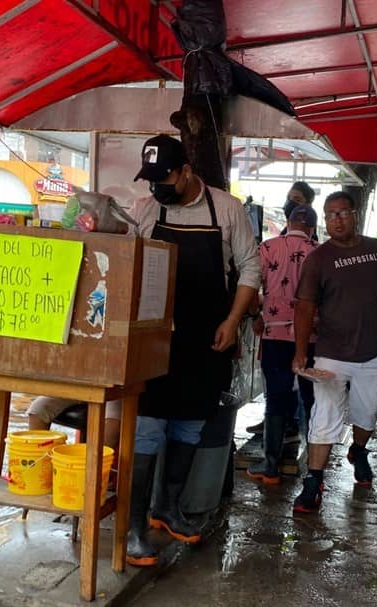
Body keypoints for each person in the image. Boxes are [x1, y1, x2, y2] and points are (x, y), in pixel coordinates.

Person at [125, 135, 260, 566]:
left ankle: (167, 509)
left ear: (186, 170)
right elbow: (127, 261)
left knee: (187, 428)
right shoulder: (147, 209)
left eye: (163, 178)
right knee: (146, 430)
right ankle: (132, 529)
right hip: (155, 340)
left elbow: (250, 266)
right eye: (150, 180)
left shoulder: (226, 208)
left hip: (206, 339)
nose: (156, 187)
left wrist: (231, 321)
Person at [292, 191, 377, 513]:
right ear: (324, 221)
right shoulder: (318, 259)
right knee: (323, 417)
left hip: (373, 353)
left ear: (355, 215)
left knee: (367, 414)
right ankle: (313, 481)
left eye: (343, 213)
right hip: (332, 354)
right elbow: (305, 307)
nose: (337, 220)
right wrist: (300, 353)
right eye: (330, 215)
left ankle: (359, 451)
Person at [246, 205, 318, 485]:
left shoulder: (267, 248)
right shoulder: (320, 253)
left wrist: (256, 315)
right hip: (310, 338)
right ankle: (314, 467)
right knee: (312, 401)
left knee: (276, 398)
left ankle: (271, 464)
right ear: (312, 227)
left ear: (288, 223)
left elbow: (251, 286)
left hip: (275, 335)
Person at [27, 397, 121, 450]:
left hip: (113, 390)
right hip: (80, 383)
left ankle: (93, 471)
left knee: (112, 423)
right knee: (38, 409)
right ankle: (42, 466)